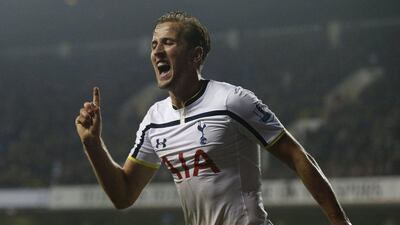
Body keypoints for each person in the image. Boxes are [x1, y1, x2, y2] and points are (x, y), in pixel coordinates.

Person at [75, 11, 352, 225]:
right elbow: (123, 195)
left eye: (168, 42)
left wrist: (340, 221)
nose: (157, 51)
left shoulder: (231, 101)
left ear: (195, 55)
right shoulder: (154, 119)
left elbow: (296, 155)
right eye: (153, 44)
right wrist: (93, 144)